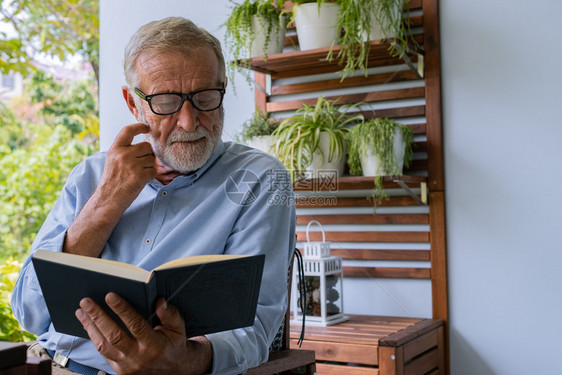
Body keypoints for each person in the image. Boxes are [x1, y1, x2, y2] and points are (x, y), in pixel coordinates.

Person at [11, 16, 296, 375]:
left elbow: (254, 329)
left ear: (222, 89)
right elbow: (28, 310)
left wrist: (181, 363)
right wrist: (106, 202)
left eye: (205, 98)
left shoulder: (259, 180)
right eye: (166, 102)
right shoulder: (92, 175)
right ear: (134, 104)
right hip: (54, 365)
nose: (189, 121)